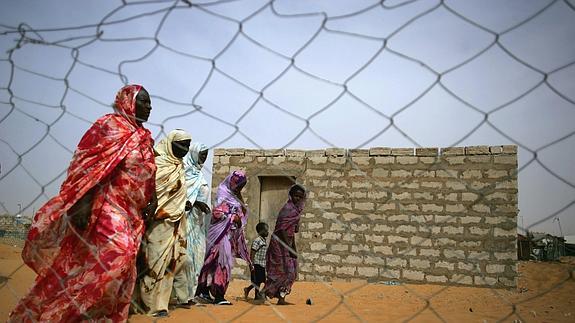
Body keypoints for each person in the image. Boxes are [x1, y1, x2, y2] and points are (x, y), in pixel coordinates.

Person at [9, 84, 157, 322]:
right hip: (106, 205)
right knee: (120, 253)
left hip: (132, 214)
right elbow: (89, 166)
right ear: (128, 102)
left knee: (120, 268)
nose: (149, 107)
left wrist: (153, 198)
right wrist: (82, 203)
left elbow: (149, 171)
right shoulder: (110, 127)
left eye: (150, 102)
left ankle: (93, 315)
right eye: (144, 101)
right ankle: (58, 313)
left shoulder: (144, 136)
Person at [139, 129, 193, 318]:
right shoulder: (158, 164)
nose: (185, 149)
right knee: (154, 262)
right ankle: (146, 302)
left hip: (177, 222)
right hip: (158, 221)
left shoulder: (179, 166)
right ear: (171, 144)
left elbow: (177, 193)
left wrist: (182, 203)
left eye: (187, 146)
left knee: (174, 262)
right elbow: (152, 192)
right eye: (182, 145)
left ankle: (160, 305)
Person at [195, 170, 252, 305]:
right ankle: (217, 295)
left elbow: (243, 211)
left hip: (228, 235)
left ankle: (205, 292)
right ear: (232, 182)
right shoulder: (223, 192)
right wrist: (233, 217)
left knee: (216, 263)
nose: (240, 189)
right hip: (219, 235)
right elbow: (217, 213)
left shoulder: (235, 196)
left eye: (242, 186)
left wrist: (239, 199)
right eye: (238, 185)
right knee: (219, 262)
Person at [265, 184, 306, 305]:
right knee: (282, 271)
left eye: (300, 196)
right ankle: (266, 292)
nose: (297, 198)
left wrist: (294, 248)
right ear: (291, 195)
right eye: (295, 196)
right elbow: (281, 230)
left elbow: (291, 232)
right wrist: (288, 247)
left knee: (291, 272)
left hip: (287, 243)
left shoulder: (296, 211)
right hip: (279, 244)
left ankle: (281, 297)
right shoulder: (287, 209)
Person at [182, 142, 211, 301]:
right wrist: (195, 202)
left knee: (197, 257)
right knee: (184, 258)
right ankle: (180, 295)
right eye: (202, 155)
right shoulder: (184, 171)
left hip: (198, 224)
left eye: (206, 155)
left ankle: (189, 295)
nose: (204, 158)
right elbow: (178, 194)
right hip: (184, 222)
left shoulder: (200, 175)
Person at [243, 222, 269, 302]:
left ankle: (248, 289)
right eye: (266, 230)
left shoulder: (264, 241)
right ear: (260, 231)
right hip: (257, 264)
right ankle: (257, 296)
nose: (267, 232)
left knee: (261, 280)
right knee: (258, 281)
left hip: (262, 264)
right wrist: (252, 264)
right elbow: (253, 252)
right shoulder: (257, 241)